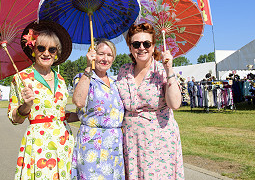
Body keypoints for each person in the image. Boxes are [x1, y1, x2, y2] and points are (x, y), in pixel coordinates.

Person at [8, 20, 78, 180]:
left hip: (64, 142)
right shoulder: (21, 78)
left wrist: (82, 115)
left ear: (57, 53)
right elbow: (15, 118)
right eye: (41, 48)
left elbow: (58, 113)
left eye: (52, 49)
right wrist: (26, 106)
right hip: (39, 146)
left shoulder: (60, 79)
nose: (46, 53)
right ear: (33, 49)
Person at [116, 23, 184, 179]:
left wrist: (169, 70)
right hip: (131, 140)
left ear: (153, 47)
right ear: (130, 47)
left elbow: (175, 104)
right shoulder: (123, 71)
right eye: (136, 44)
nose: (141, 48)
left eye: (146, 43)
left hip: (159, 140)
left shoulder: (161, 70)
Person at [71, 39, 125, 180]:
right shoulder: (83, 77)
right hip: (92, 142)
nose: (105, 59)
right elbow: (78, 101)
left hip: (114, 144)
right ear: (93, 55)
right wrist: (89, 68)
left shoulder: (116, 83)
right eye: (101, 54)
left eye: (109, 55)